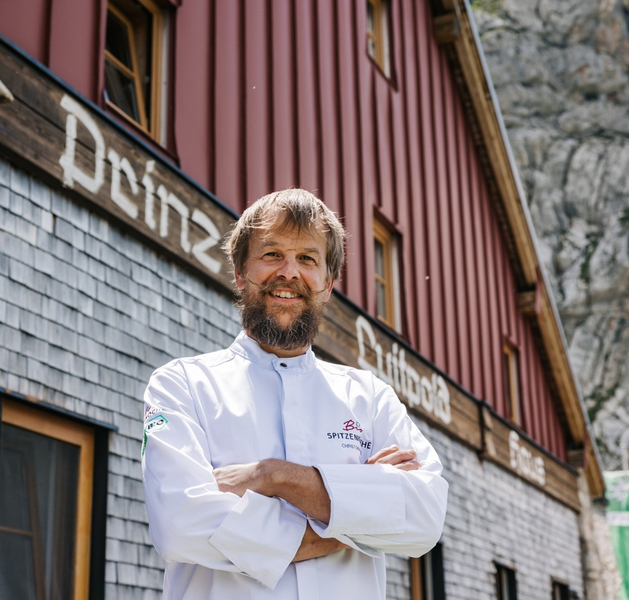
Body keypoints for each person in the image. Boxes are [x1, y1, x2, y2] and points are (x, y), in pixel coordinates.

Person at [141, 189, 448, 599]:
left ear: (328, 284)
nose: (289, 273)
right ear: (240, 273)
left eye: (307, 258)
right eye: (272, 254)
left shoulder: (371, 398)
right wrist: (358, 519)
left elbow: (425, 518)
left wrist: (273, 476)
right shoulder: (182, 385)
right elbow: (182, 525)